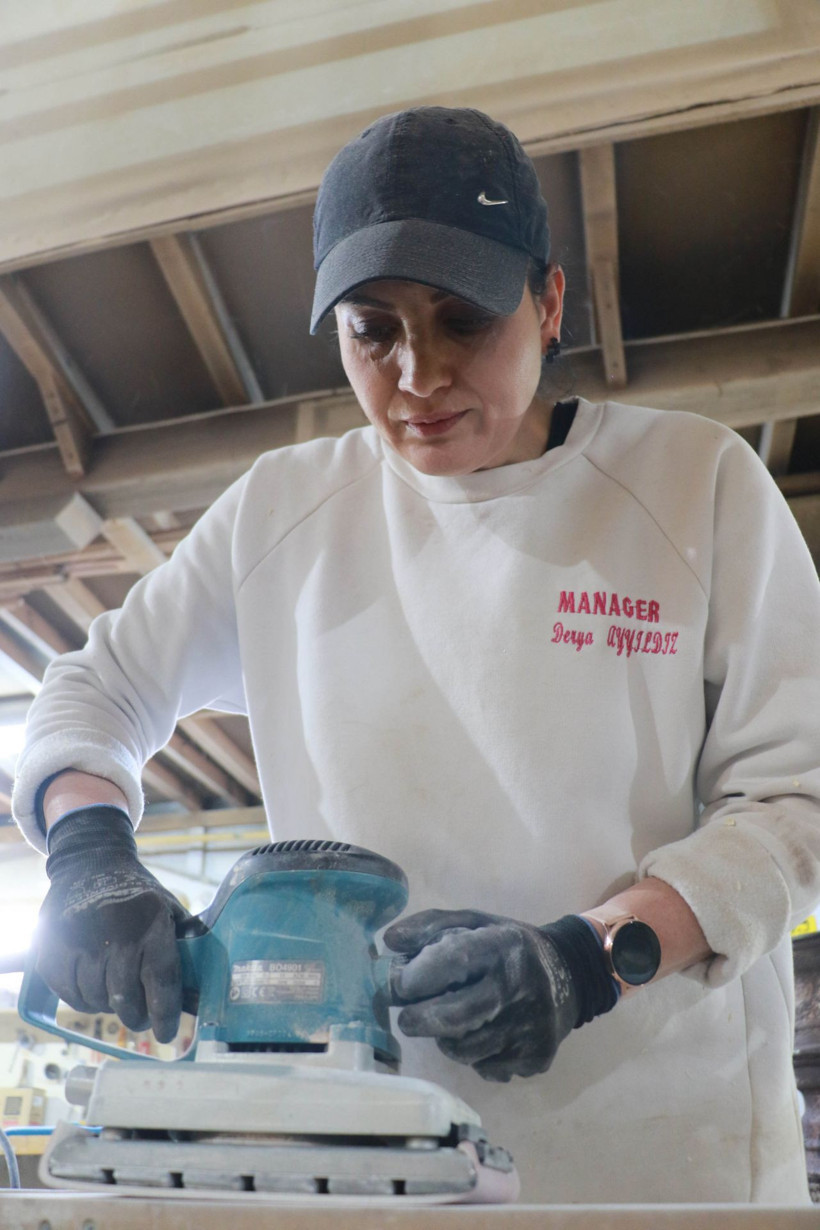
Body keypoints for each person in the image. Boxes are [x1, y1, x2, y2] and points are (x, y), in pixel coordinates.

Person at [12, 106, 820, 1205]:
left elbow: (795, 801)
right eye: (372, 330)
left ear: (547, 301)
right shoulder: (285, 514)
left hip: (657, 1164)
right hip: (362, 1169)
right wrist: (91, 855)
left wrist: (587, 959)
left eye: (463, 319)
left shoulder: (694, 487)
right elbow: (94, 689)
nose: (418, 374)